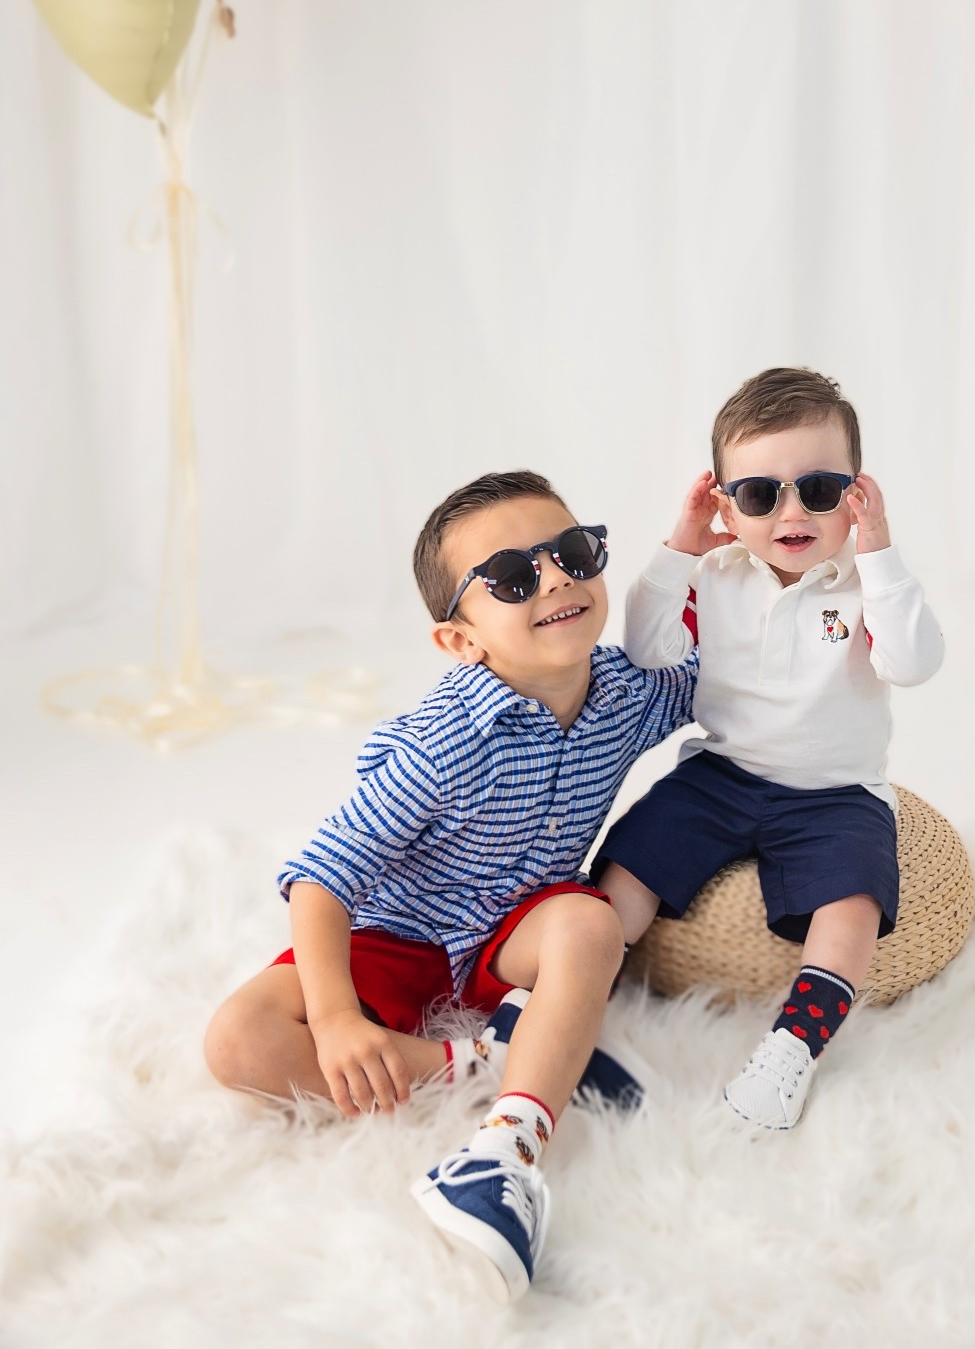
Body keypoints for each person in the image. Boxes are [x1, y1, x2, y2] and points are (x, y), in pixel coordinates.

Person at [204, 469, 696, 1303]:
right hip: (399, 934)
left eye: (571, 553)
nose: (554, 579)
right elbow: (322, 877)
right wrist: (333, 1020)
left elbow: (735, 672)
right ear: (461, 640)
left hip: (515, 932)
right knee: (238, 1041)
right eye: (511, 577)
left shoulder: (626, 693)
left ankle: (507, 1144)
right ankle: (480, 1060)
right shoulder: (443, 745)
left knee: (590, 925)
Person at [594, 366, 943, 1130]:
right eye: (759, 495)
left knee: (854, 901)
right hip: (722, 774)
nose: (791, 511)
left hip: (837, 790)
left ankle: (792, 1049)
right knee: (630, 860)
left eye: (819, 490)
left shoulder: (866, 585)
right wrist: (681, 546)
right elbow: (649, 650)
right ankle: (570, 1001)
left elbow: (912, 663)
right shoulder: (715, 576)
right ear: (725, 505)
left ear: (856, 496)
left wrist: (880, 553)